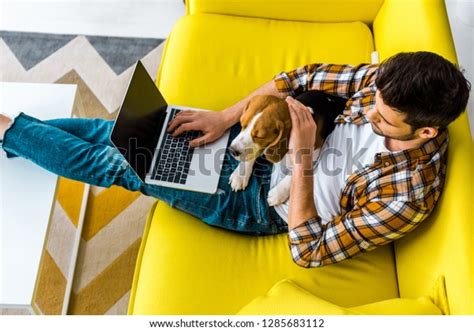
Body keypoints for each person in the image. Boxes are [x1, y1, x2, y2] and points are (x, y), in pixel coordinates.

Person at [0, 51, 470, 268]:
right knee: (129, 133)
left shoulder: (407, 194)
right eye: (370, 102)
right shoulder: (384, 85)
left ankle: (8, 130)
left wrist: (303, 157)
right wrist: (227, 119)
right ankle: (10, 137)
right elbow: (299, 76)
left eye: (383, 119)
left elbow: (308, 251)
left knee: (121, 163)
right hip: (262, 146)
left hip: (260, 204)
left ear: (426, 131)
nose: (367, 114)